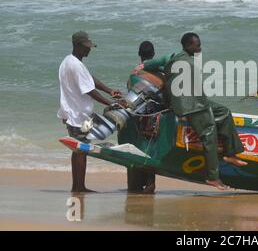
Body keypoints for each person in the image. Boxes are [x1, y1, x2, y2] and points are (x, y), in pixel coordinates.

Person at [135, 33, 247, 190]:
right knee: (209, 135)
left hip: (199, 101)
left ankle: (230, 153)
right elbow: (155, 64)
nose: (200, 48)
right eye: (197, 45)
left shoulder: (174, 57)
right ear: (188, 46)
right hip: (190, 105)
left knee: (224, 112)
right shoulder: (178, 58)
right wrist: (143, 68)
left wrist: (146, 66)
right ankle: (213, 177)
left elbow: (157, 64)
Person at [57, 31, 122, 193]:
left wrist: (109, 90)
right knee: (81, 150)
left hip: (74, 114)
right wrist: (110, 104)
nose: (89, 49)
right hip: (79, 116)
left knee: (80, 150)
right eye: (86, 47)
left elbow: (89, 79)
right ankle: (79, 187)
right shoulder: (75, 65)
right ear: (77, 45)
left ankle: (78, 186)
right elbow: (89, 90)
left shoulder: (68, 61)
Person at [124, 41, 157, 194]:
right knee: (150, 150)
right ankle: (150, 184)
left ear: (139, 54)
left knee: (134, 149)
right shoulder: (159, 74)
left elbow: (131, 94)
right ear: (154, 55)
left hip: (137, 119)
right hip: (154, 118)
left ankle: (133, 186)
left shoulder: (134, 75)